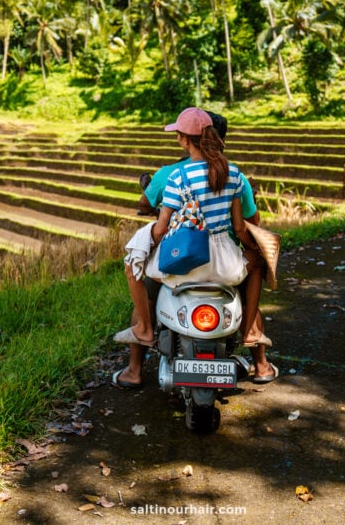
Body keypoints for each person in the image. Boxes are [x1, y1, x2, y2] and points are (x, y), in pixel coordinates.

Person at [112, 108, 278, 388]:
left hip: (185, 263)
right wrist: (254, 250)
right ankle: (254, 344)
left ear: (183, 138)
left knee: (134, 263)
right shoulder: (234, 174)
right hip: (226, 266)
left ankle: (141, 341)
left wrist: (148, 241)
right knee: (255, 266)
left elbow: (162, 227)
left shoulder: (176, 176)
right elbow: (241, 227)